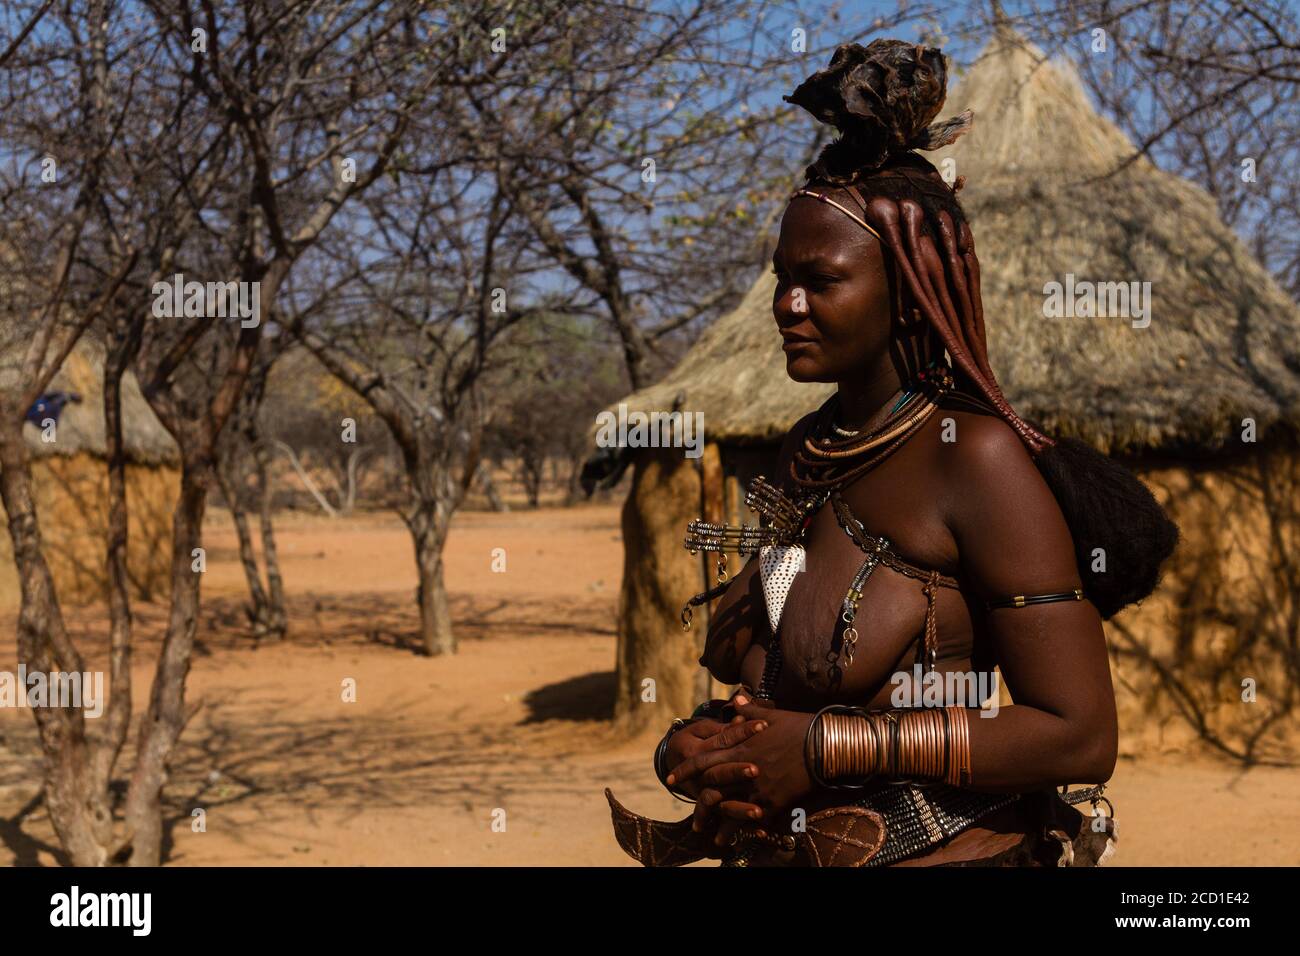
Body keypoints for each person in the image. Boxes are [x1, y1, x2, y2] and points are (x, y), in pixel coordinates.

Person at [607, 39, 1177, 867]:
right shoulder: (806, 453)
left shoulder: (973, 459)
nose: (786, 306)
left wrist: (824, 751)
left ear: (906, 288)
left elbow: (1077, 734)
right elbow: (786, 677)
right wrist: (725, 741)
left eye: (821, 279)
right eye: (779, 279)